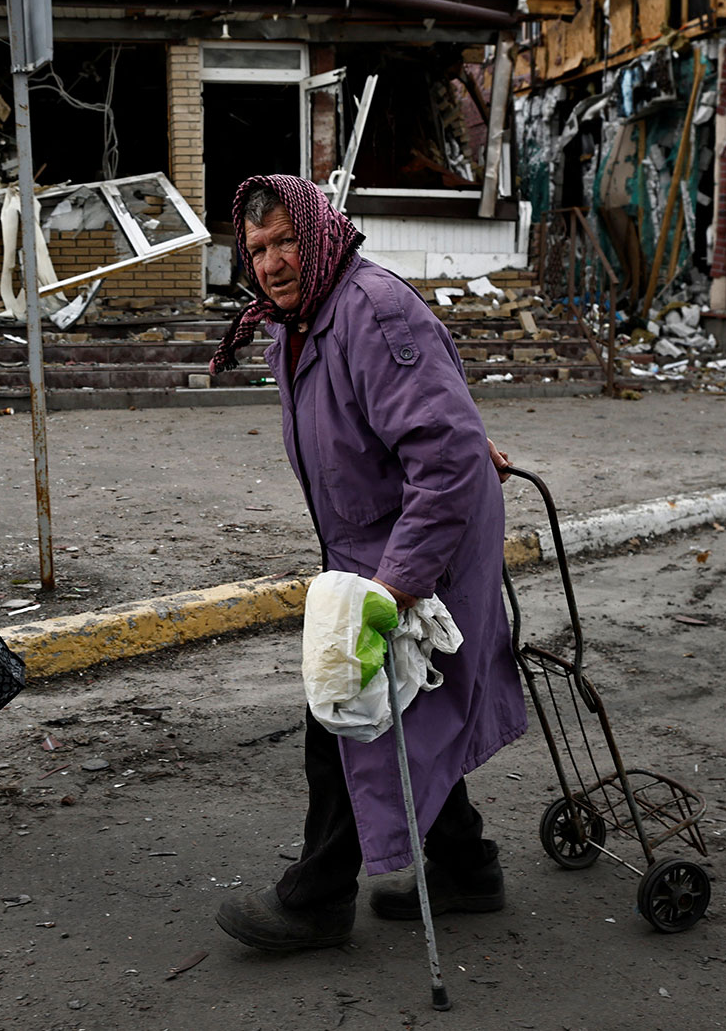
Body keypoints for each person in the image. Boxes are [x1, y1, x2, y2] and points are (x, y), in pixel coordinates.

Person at [209, 174, 526, 951]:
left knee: (346, 708)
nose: (275, 261)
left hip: (420, 549)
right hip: (376, 544)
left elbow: (444, 457)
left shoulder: (368, 308)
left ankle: (316, 899)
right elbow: (416, 420)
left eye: (286, 240)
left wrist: (396, 585)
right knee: (410, 709)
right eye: (258, 249)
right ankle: (467, 867)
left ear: (319, 232)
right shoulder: (306, 316)